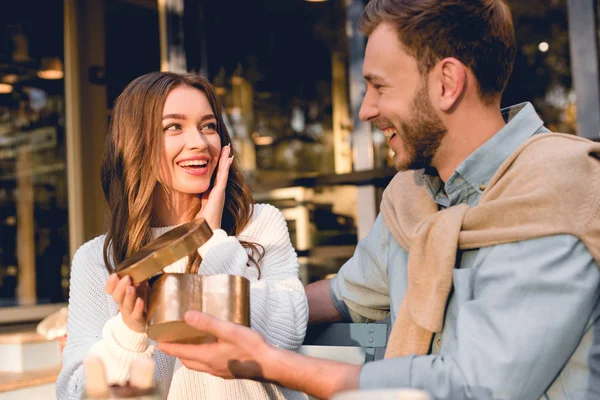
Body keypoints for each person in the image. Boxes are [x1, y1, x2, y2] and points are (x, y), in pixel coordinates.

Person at [157, 1, 600, 399]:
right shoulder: (412, 196)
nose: (365, 110)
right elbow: (344, 296)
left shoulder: (558, 188)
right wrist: (206, 304)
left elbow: (473, 385)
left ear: (447, 83)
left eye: (379, 87)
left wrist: (269, 363)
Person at [56, 72, 309, 400]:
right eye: (174, 126)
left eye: (208, 126)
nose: (200, 142)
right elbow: (75, 393)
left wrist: (210, 239)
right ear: (137, 142)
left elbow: (284, 334)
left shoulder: (259, 224)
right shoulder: (98, 259)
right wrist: (130, 331)